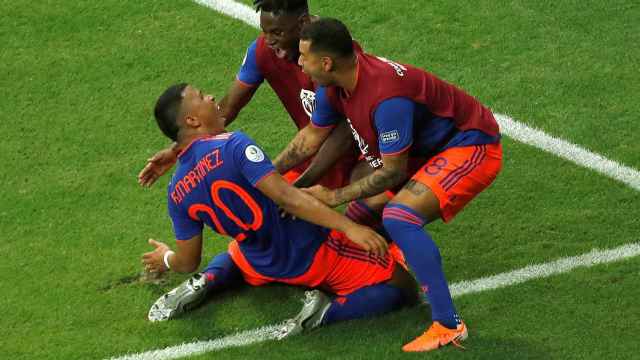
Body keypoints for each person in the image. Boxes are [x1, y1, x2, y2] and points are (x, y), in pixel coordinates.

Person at [275, 18, 503, 352]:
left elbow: (393, 172)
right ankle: (393, 275)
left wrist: (333, 195)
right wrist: (265, 175)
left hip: (471, 145)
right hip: (425, 153)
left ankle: (449, 325)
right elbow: (310, 139)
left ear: (326, 62)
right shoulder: (334, 84)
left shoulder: (385, 97)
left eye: (304, 56)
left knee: (399, 216)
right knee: (352, 223)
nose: (299, 62)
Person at [140, 83, 417, 338]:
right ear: (191, 120)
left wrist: (166, 258)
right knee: (400, 287)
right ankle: (324, 313)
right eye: (201, 97)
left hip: (258, 260)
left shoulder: (176, 191)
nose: (211, 97)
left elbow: (187, 262)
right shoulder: (234, 145)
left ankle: (211, 278)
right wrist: (349, 228)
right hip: (310, 254)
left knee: (236, 253)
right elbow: (288, 198)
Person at [137, 0, 361, 191]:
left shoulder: (333, 56)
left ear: (303, 23)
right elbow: (226, 110)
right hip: (308, 165)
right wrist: (178, 149)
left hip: (362, 158)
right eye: (265, 32)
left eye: (277, 33)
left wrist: (287, 185)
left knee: (362, 217)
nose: (269, 40)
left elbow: (341, 134)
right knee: (260, 224)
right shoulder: (262, 51)